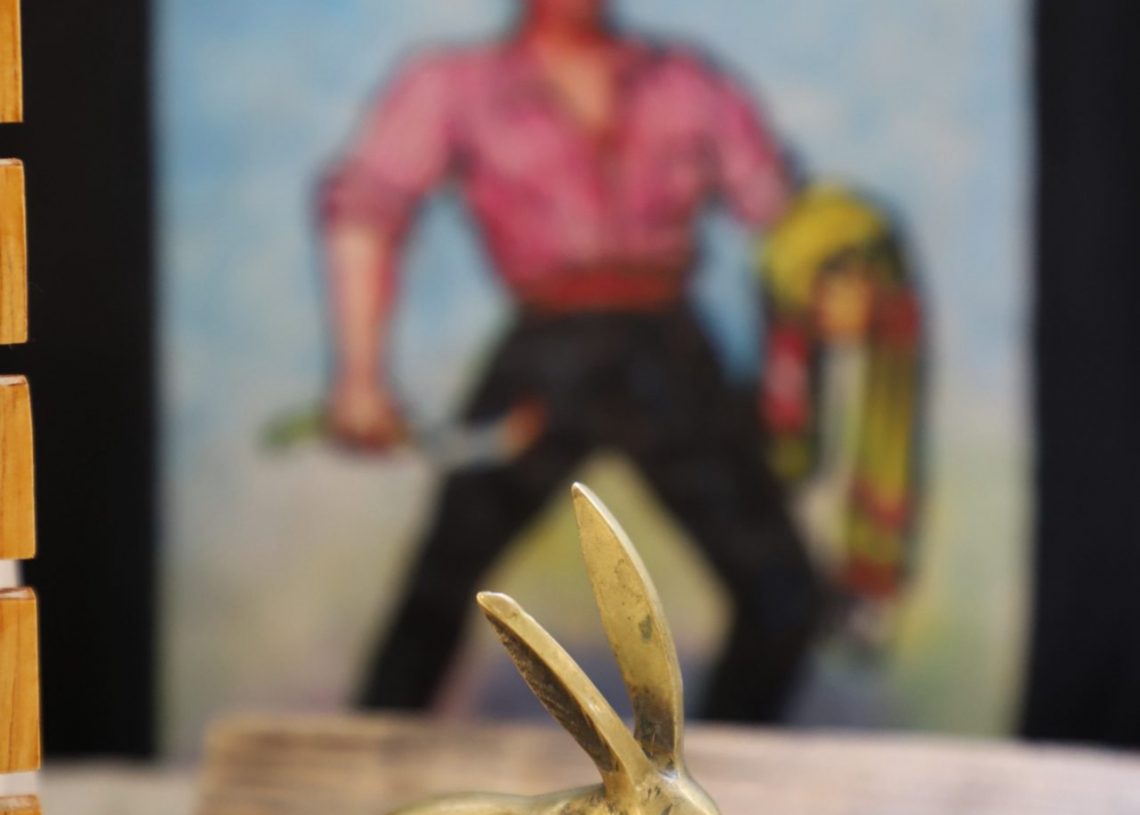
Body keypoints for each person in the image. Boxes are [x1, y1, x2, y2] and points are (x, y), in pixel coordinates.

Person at [319, 0, 820, 722]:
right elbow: (367, 214)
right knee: (438, 586)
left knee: (785, 593)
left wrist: (799, 355)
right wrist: (359, 379)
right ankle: (360, 765)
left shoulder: (685, 80)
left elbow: (788, 227)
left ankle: (706, 772)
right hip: (548, 357)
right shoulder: (454, 83)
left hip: (670, 352)